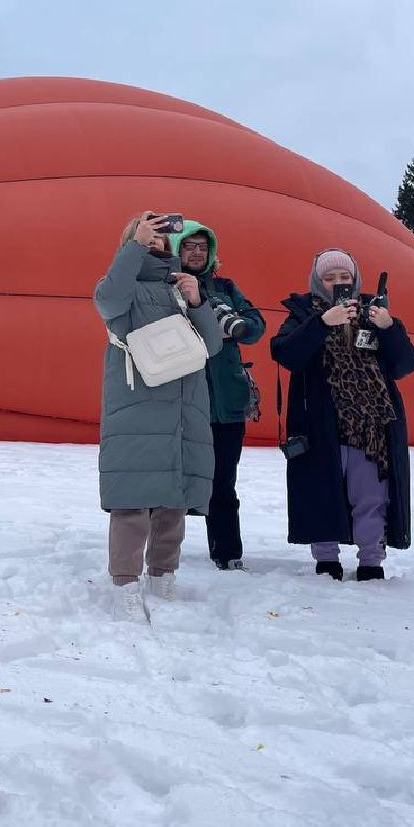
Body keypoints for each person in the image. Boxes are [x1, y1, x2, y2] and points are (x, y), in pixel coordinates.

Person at [95, 212, 224, 619]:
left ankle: (162, 575)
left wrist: (198, 302)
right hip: (138, 406)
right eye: (146, 238)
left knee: (174, 499)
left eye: (160, 239)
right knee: (132, 500)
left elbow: (212, 346)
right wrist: (135, 246)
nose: (154, 244)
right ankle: (125, 585)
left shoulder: (180, 289)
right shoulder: (121, 287)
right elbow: (107, 301)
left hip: (184, 406)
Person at [271, 249, 414, 581]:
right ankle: (326, 558)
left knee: (372, 495)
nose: (338, 283)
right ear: (317, 282)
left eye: (344, 277)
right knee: (322, 489)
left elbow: (405, 365)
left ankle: (371, 560)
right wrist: (322, 323)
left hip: (370, 426)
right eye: (329, 278)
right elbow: (285, 353)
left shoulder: (374, 312)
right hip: (321, 423)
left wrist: (390, 328)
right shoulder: (303, 313)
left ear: (355, 280)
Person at [170, 220, 266, 571]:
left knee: (224, 481)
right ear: (177, 250)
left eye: (202, 246)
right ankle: (162, 553)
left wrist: (229, 326)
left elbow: (255, 327)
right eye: (189, 246)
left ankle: (227, 552)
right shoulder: (165, 287)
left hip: (226, 403)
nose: (197, 252)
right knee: (173, 479)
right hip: (182, 400)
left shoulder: (226, 287)